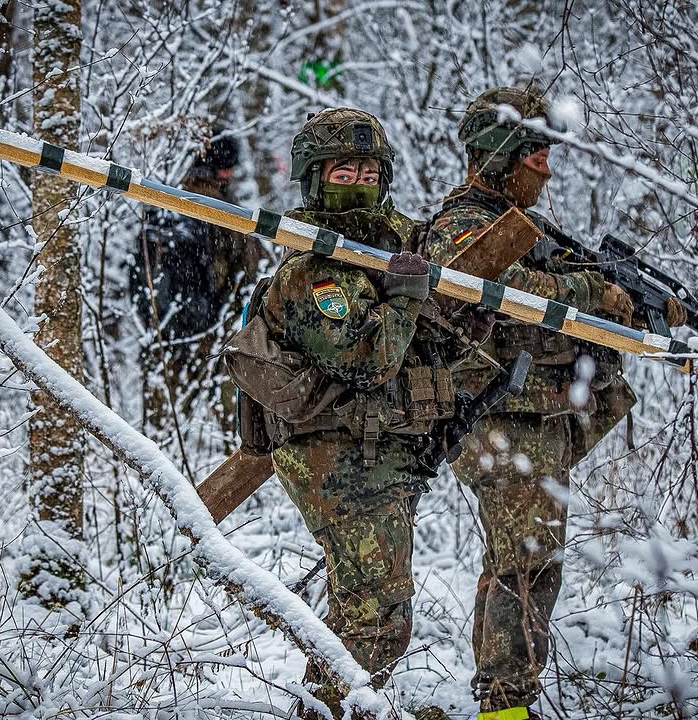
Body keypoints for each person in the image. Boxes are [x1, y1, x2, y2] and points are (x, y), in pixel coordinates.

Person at [423, 86, 686, 719]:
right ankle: (505, 704)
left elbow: (559, 290)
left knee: (523, 560)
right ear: (498, 157)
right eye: (535, 155)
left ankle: (502, 696)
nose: (546, 169)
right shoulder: (462, 226)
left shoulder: (529, 229)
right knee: (527, 562)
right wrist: (596, 293)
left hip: (533, 417)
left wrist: (631, 302)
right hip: (498, 416)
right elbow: (501, 286)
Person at [226, 108, 476, 719]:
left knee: (370, 612)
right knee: (376, 616)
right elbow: (367, 361)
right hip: (336, 458)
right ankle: (332, 709)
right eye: (345, 171)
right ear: (316, 178)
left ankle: (335, 708)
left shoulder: (395, 248)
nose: (360, 182)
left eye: (369, 171)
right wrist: (404, 301)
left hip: (384, 452)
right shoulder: (312, 272)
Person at [130, 130, 263, 435]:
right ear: (222, 169)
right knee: (232, 427)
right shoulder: (223, 210)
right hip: (211, 331)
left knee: (161, 433)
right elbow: (246, 269)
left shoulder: (169, 201)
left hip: (163, 333)